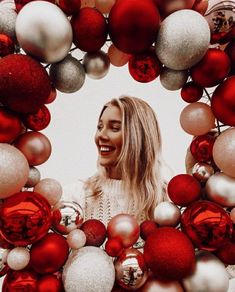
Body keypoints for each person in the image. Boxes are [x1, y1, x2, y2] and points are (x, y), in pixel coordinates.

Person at [63, 95, 168, 226]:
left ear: (138, 137)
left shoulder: (167, 203)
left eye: (115, 128)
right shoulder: (74, 198)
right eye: (100, 127)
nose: (101, 135)